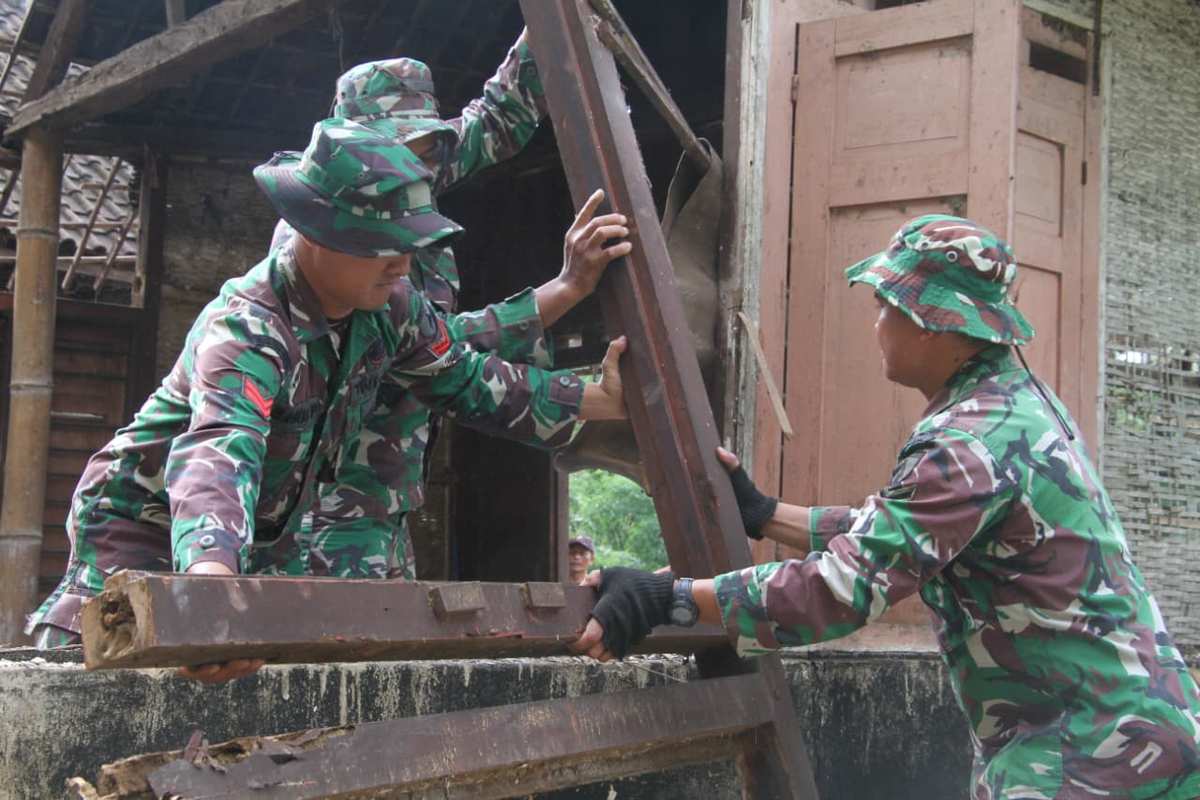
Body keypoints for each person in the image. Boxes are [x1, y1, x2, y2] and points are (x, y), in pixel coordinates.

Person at [573, 215, 1200, 799]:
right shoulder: (1012, 408)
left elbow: (842, 588)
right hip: (1135, 725)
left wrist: (669, 598)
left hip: (1096, 757)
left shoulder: (965, 443)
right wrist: (765, 513)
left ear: (927, 319)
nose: (877, 323)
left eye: (883, 305)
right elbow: (911, 537)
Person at [28, 119, 630, 684]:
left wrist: (599, 399)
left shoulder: (393, 306)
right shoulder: (249, 330)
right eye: (382, 243)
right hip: (144, 527)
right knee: (101, 677)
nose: (403, 261)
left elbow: (466, 378)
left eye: (409, 243)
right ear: (318, 234)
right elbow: (221, 446)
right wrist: (212, 588)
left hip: (253, 539)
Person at [268, 33, 555, 581]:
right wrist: (560, 296)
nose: (419, 169)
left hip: (387, 500)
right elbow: (428, 352)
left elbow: (494, 120)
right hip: (333, 513)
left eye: (426, 150)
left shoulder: (404, 179)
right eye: (401, 151)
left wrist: (545, 34)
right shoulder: (322, 239)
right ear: (355, 154)